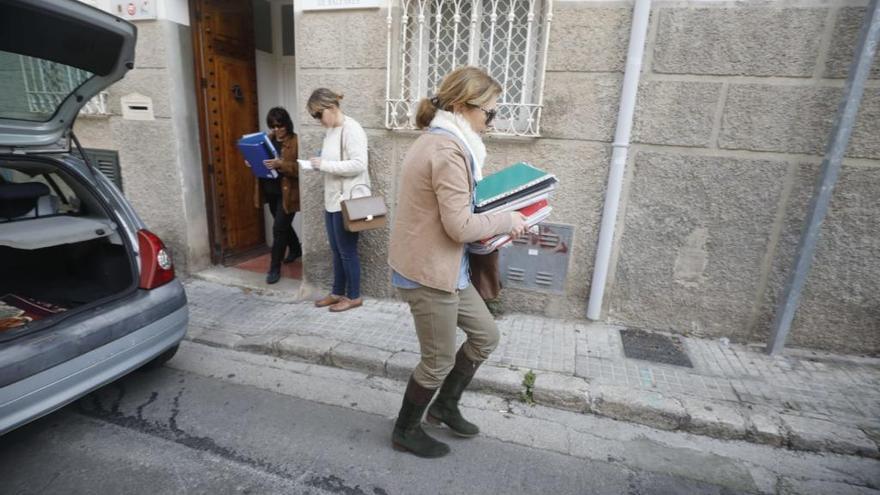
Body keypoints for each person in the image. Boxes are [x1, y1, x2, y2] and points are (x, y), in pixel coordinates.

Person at [387, 66, 527, 458]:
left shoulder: (445, 141)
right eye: (490, 112)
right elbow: (460, 225)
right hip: (430, 272)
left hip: (450, 268)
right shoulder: (447, 150)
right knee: (436, 362)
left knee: (486, 337)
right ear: (464, 106)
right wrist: (509, 219)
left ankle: (445, 406)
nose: (492, 121)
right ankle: (405, 429)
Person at [307, 88, 369, 312]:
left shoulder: (352, 129)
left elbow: (359, 164)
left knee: (347, 251)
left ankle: (354, 296)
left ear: (331, 108)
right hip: (332, 199)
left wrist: (324, 165)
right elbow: (333, 161)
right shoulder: (331, 130)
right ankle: (336, 292)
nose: (317, 120)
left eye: (318, 115)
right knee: (336, 249)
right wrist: (318, 162)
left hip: (348, 200)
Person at [257, 106, 301, 284]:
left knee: (278, 230)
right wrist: (251, 162)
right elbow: (262, 163)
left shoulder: (297, 141)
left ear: (287, 125)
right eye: (273, 126)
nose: (277, 130)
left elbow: (299, 169)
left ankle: (274, 268)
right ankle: (296, 248)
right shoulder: (267, 140)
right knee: (281, 227)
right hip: (271, 191)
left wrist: (280, 164)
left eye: (280, 126)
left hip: (288, 194)